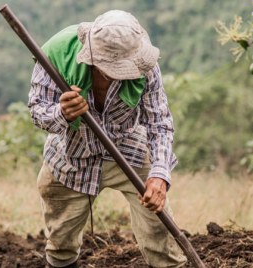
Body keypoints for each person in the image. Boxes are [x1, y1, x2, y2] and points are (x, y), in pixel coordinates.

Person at [28, 10, 187, 268]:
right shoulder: (56, 56)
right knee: (61, 243)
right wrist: (62, 113)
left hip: (128, 149)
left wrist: (159, 174)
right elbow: (36, 112)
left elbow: (159, 122)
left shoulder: (144, 64)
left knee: (159, 225)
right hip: (71, 156)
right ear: (97, 62)